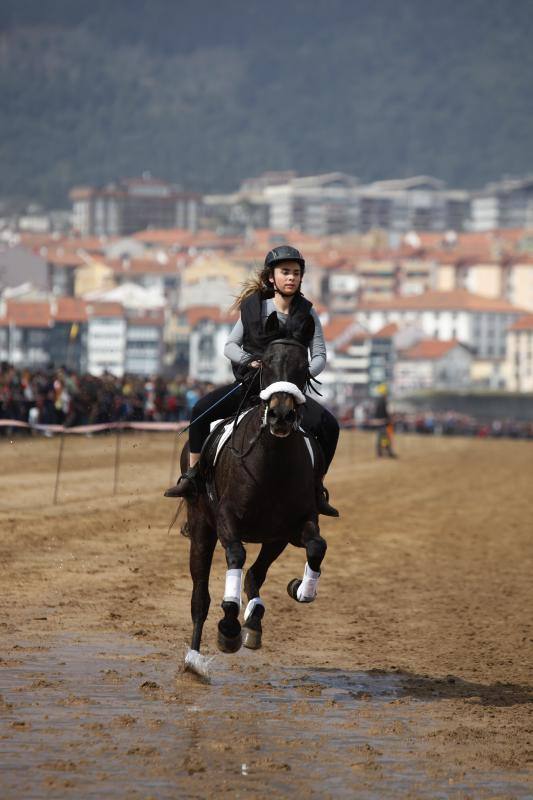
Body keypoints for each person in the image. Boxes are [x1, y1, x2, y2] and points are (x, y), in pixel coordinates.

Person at [165, 245, 340, 516]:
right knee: (200, 410)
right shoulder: (254, 309)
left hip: (291, 393)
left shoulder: (309, 313)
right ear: (272, 277)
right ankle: (193, 477)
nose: (291, 278)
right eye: (285, 272)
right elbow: (230, 346)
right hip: (251, 387)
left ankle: (316, 489)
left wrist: (301, 374)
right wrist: (251, 361)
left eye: (296, 273)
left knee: (331, 426)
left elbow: (319, 355)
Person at [373, 383, 397, 458]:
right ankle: (388, 452)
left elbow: (375, 413)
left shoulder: (377, 402)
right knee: (385, 437)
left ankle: (380, 453)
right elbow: (389, 412)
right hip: (385, 422)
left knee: (380, 437)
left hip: (378, 422)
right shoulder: (386, 401)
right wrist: (392, 419)